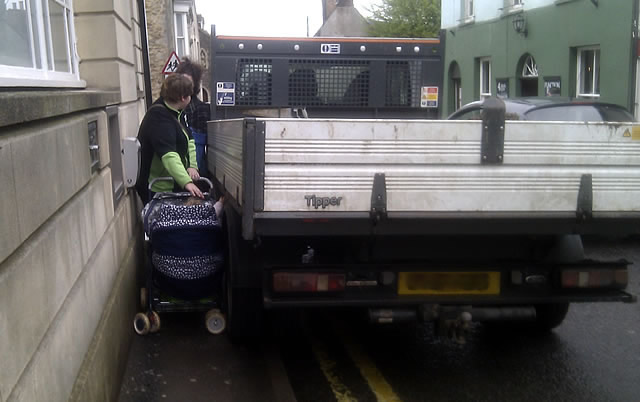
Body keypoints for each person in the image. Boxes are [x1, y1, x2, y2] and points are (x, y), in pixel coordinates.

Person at [135, 73, 203, 204]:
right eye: (190, 95)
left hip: (171, 182)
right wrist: (187, 182)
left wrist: (192, 166)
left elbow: (190, 139)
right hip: (157, 187)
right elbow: (169, 156)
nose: (191, 98)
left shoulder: (177, 112)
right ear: (183, 98)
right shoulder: (159, 117)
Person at [176, 58, 210, 174]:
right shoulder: (172, 109)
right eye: (181, 81)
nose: (184, 87)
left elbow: (198, 149)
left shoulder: (201, 110)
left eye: (188, 83)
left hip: (194, 174)